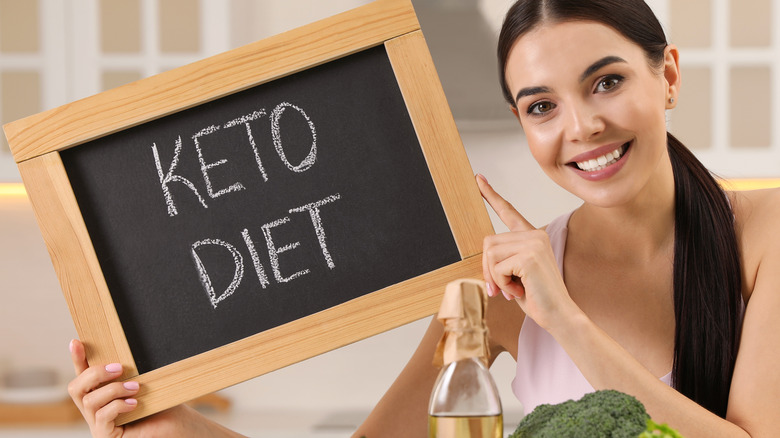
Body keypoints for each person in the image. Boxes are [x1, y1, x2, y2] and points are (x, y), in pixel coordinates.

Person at [67, 0, 780, 436]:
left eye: (608, 81)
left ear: (670, 76)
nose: (583, 125)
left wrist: (564, 319)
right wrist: (172, 428)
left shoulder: (765, 233)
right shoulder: (502, 289)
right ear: (522, 123)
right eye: (541, 106)